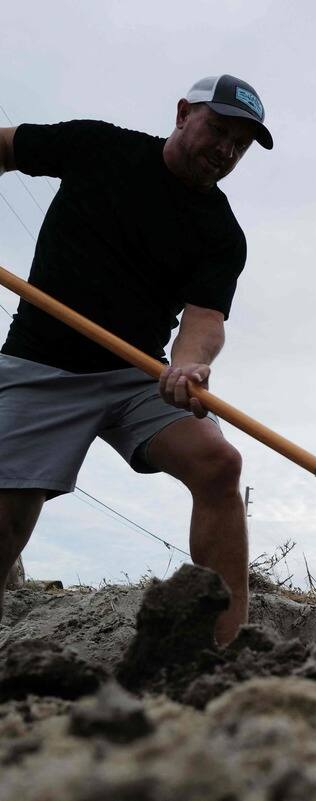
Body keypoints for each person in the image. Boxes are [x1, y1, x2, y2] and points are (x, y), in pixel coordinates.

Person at [0, 75, 273, 645]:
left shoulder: (220, 233)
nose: (225, 150)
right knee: (9, 507)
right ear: (182, 114)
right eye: (218, 130)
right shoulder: (98, 147)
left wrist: (190, 366)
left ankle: (222, 650)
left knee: (218, 463)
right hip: (41, 366)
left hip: (136, 376)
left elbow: (204, 319)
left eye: (239, 145)